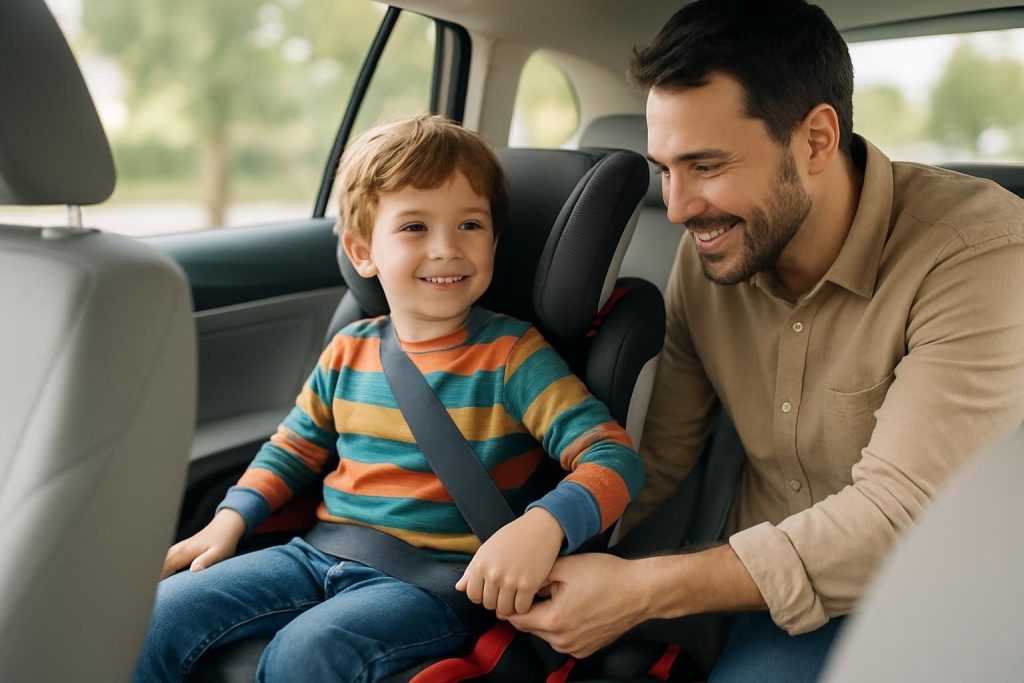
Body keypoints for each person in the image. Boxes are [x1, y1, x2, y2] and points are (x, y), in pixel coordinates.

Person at [507, 1, 1024, 681]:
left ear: (815, 140)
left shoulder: (978, 254)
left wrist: (644, 591)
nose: (679, 205)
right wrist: (536, 532)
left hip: (932, 595)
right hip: (762, 597)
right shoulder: (713, 254)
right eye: (665, 168)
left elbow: (900, 519)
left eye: (707, 165)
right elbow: (663, 454)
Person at [133, 114, 644, 682]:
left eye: (470, 225)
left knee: (306, 654)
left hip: (435, 581)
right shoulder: (350, 348)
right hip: (316, 552)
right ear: (362, 252)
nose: (447, 248)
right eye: (415, 227)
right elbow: (292, 449)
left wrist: (543, 525)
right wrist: (229, 519)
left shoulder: (513, 355)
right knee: (160, 613)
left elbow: (612, 458)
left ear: (494, 240)